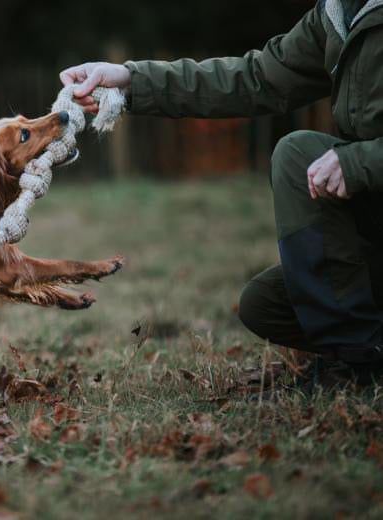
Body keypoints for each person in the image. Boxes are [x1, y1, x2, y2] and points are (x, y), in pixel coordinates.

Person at [60, 0, 383, 383]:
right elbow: (256, 78)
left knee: (297, 155)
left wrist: (360, 161)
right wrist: (132, 81)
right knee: (266, 305)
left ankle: (357, 364)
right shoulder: (338, 11)